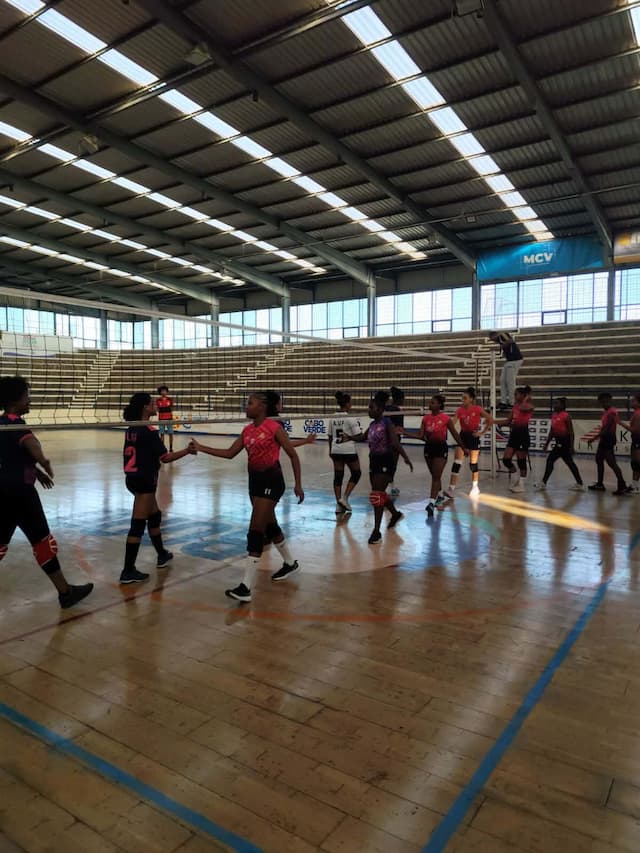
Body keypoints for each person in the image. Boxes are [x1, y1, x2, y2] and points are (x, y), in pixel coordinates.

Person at [190, 390, 303, 603]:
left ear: (262, 406)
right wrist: (201, 447)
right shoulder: (247, 430)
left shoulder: (274, 428)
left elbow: (293, 455)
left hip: (272, 481)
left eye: (250, 403)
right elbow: (229, 454)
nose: (246, 406)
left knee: (255, 530)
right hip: (255, 482)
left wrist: (298, 484)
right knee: (269, 525)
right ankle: (290, 563)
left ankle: (246, 587)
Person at [0, 376, 93, 608]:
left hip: (3, 492)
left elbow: (11, 455)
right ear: (15, 400)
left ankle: (65, 591)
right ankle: (66, 593)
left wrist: (36, 471)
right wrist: (43, 462)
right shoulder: (18, 424)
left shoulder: (1, 423)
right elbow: (31, 445)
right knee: (43, 543)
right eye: (27, 396)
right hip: (21, 495)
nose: (29, 400)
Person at [121, 392, 195, 584]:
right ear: (145, 407)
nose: (156, 406)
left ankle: (162, 554)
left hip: (133, 478)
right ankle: (128, 571)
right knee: (137, 526)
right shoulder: (149, 431)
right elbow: (165, 458)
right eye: (152, 403)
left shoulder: (132, 428)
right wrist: (187, 451)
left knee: (154, 516)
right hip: (144, 480)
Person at [342, 390, 413, 544]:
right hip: (374, 461)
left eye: (371, 407)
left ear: (380, 410)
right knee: (379, 493)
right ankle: (395, 514)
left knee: (376, 495)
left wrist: (406, 458)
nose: (369, 410)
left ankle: (376, 532)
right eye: (369, 407)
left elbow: (395, 442)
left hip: (386, 461)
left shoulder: (387, 424)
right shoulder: (373, 425)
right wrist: (350, 437)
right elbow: (362, 437)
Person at [402, 394, 467, 517]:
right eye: (430, 402)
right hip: (429, 448)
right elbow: (421, 436)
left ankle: (431, 503)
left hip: (440, 448)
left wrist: (464, 448)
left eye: (433, 402)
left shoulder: (446, 419)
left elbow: (455, 434)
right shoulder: (425, 419)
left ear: (439, 405)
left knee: (436, 477)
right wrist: (404, 432)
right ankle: (440, 495)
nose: (430, 404)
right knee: (435, 475)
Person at [444, 387, 492, 500]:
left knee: (473, 464)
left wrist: (482, 432)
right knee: (457, 463)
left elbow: (490, 419)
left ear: (471, 399)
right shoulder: (460, 410)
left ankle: (475, 487)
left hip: (473, 437)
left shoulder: (477, 409)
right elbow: (452, 422)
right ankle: (451, 489)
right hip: (463, 436)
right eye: (462, 398)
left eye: (465, 398)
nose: (463, 400)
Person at [534, 398, 585, 492]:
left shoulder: (566, 416)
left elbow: (571, 433)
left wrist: (571, 446)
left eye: (556, 403)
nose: (554, 405)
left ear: (562, 405)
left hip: (565, 443)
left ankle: (579, 484)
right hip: (558, 443)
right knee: (556, 461)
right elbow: (552, 431)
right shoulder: (553, 415)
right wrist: (546, 444)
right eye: (554, 403)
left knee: (565, 462)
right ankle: (544, 483)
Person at [493, 385, 534, 493]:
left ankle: (521, 484)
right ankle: (516, 478)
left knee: (521, 461)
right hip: (514, 435)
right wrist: (493, 422)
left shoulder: (529, 406)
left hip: (523, 435)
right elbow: (508, 420)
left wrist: (526, 398)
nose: (514, 396)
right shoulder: (515, 406)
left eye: (516, 394)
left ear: (522, 395)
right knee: (506, 459)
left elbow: (522, 408)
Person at [327, 391, 362, 514]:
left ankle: (339, 505)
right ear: (347, 404)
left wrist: (330, 450)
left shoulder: (332, 417)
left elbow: (330, 436)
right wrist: (352, 437)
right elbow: (359, 436)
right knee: (357, 473)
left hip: (336, 449)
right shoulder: (351, 418)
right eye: (350, 402)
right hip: (348, 450)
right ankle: (345, 498)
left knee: (338, 476)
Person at [588, 392, 629, 495]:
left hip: (608, 439)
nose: (603, 403)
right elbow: (604, 428)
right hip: (605, 439)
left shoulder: (611, 412)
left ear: (610, 400)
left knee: (612, 463)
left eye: (605, 401)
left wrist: (594, 438)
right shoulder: (606, 412)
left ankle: (622, 485)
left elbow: (605, 429)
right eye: (602, 402)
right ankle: (600, 484)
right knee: (599, 459)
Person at [489, 331, 524, 409]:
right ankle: (503, 401)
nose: (493, 341)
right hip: (509, 361)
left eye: (492, 339)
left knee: (510, 382)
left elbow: (511, 341)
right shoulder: (500, 340)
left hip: (515, 360)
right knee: (502, 380)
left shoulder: (502, 335)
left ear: (494, 336)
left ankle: (512, 403)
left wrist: (502, 346)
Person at [387, 386, 405, 497]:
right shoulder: (398, 411)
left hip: (382, 441)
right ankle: (390, 487)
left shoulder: (385, 408)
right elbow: (399, 429)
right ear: (399, 399)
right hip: (393, 442)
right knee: (392, 464)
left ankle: (390, 486)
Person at [620, 394, 640, 495]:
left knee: (636, 464)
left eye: (633, 401)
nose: (631, 402)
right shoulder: (636, 413)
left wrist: (620, 423)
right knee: (635, 464)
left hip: (637, 440)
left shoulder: (637, 414)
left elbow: (635, 430)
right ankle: (635, 486)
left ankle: (636, 487)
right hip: (636, 440)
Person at [156, 384, 174, 452]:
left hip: (169, 419)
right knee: (162, 434)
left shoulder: (170, 399)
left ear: (167, 392)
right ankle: (162, 447)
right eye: (162, 391)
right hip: (161, 419)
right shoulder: (158, 400)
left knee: (171, 434)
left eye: (165, 391)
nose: (163, 392)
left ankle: (171, 447)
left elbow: (171, 407)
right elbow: (157, 408)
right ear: (160, 392)